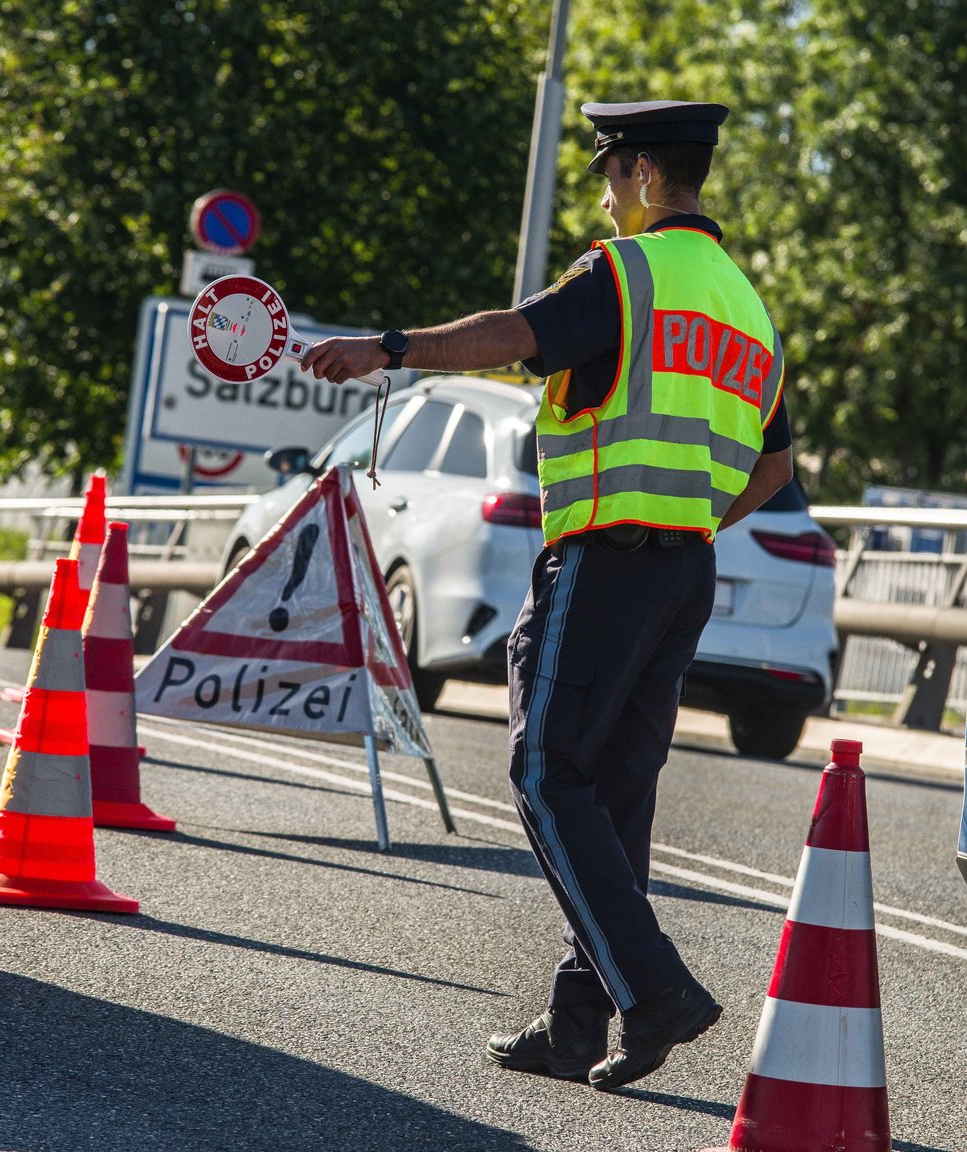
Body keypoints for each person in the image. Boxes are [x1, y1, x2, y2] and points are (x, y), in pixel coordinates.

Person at [303, 99, 793, 1092]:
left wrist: (385, 347)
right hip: (682, 569)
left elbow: (512, 334)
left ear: (646, 176)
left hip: (604, 556)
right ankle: (579, 1022)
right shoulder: (745, 305)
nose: (603, 195)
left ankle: (651, 990)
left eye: (610, 173)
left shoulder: (626, 273)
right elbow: (775, 467)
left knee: (541, 770)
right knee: (613, 789)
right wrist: (691, 515)